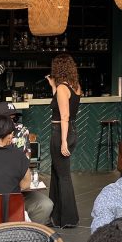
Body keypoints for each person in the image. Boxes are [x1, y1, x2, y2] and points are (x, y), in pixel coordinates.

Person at [48, 54, 81, 228]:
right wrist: (53, 86)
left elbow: (64, 116)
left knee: (63, 176)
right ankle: (55, 216)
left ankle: (68, 219)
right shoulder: (75, 86)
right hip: (71, 130)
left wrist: (63, 141)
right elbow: (62, 105)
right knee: (56, 172)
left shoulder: (63, 88)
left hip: (61, 131)